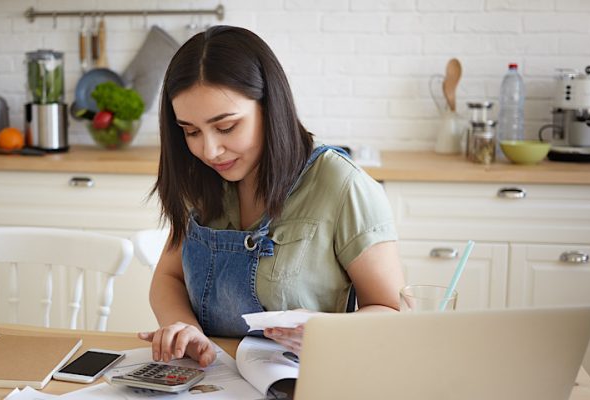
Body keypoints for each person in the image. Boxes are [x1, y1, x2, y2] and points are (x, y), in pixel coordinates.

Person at [138, 25, 404, 367]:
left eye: (226, 127)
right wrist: (185, 330)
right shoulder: (200, 178)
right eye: (191, 131)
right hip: (211, 382)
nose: (210, 150)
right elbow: (168, 277)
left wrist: (328, 330)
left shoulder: (341, 185)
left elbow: (392, 312)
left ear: (270, 106)